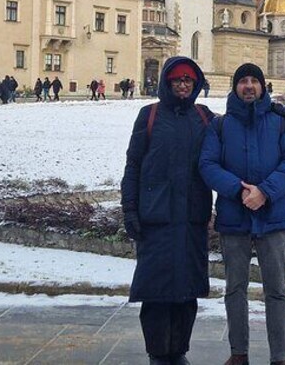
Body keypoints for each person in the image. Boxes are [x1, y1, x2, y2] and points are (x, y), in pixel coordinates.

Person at [200, 64, 285, 365]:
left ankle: (279, 356)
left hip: (272, 218)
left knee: (277, 290)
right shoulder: (220, 125)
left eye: (254, 81)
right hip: (234, 216)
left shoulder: (279, 123)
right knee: (235, 288)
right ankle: (238, 352)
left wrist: (265, 191)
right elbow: (207, 165)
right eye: (243, 81)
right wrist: (238, 190)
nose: (248, 86)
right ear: (235, 87)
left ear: (263, 86)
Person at [121, 57, 214, 365]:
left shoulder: (204, 117)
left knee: (186, 291)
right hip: (156, 217)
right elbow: (134, 164)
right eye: (177, 81)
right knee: (157, 292)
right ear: (167, 83)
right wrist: (130, 209)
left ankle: (179, 351)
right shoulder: (149, 116)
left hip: (191, 217)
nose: (183, 85)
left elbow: (235, 135)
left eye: (188, 80)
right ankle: (158, 353)